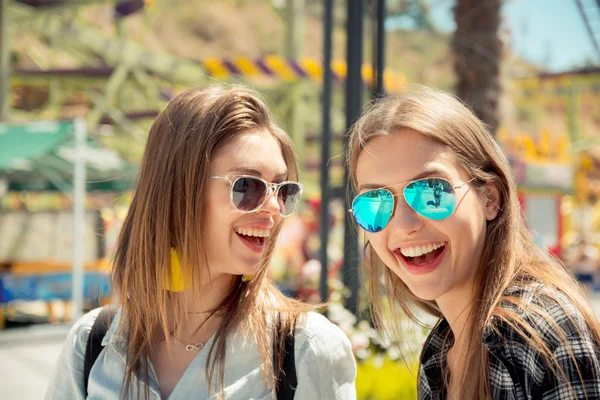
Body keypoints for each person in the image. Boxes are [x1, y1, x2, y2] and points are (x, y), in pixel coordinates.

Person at [46, 86, 356, 399]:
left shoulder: (305, 350)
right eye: (247, 186)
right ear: (179, 191)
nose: (274, 208)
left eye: (283, 189)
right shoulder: (90, 344)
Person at [346, 86, 600, 399]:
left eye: (431, 193)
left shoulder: (543, 332)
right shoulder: (438, 356)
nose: (404, 225)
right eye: (374, 202)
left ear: (490, 197)